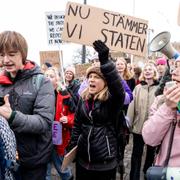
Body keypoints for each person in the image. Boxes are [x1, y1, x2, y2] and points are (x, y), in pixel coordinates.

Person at [0, 31, 55, 180]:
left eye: (11, 54)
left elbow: (44, 122)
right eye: (1, 54)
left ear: (22, 54)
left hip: (32, 163)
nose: (5, 60)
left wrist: (12, 116)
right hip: (6, 159)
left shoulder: (42, 82)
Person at [68, 40, 125, 180]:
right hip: (83, 161)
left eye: (96, 77)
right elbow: (77, 126)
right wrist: (72, 147)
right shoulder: (83, 99)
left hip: (104, 163)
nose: (91, 80)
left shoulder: (112, 100)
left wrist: (105, 61)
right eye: (90, 77)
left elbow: (119, 91)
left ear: (105, 82)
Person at [142, 59, 180, 167]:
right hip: (163, 170)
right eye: (175, 67)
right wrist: (168, 107)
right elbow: (149, 138)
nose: (174, 72)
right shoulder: (160, 100)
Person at [127, 63, 159, 180]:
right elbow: (131, 106)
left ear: (154, 72)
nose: (147, 71)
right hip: (138, 127)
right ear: (142, 73)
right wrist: (129, 123)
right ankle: (133, 177)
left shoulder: (159, 88)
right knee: (136, 154)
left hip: (153, 128)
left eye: (150, 69)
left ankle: (147, 174)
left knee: (151, 154)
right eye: (145, 69)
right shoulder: (138, 88)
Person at [45, 67, 74, 180]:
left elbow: (75, 114)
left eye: (51, 76)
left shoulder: (65, 95)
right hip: (43, 138)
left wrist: (68, 119)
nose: (48, 78)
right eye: (46, 76)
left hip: (58, 136)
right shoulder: (37, 93)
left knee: (61, 166)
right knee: (44, 169)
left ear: (57, 79)